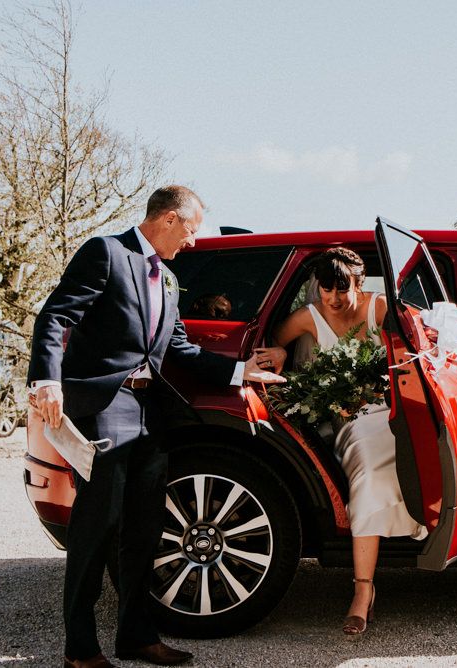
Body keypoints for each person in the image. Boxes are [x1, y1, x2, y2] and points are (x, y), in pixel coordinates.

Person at [28, 185, 283, 668]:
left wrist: (239, 371)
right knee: (96, 527)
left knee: (144, 529)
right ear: (168, 219)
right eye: (189, 230)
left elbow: (179, 349)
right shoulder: (106, 252)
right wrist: (47, 380)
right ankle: (80, 650)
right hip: (104, 406)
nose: (191, 242)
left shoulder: (167, 278)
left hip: (150, 414)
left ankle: (137, 637)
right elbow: (56, 314)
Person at [255, 247, 426, 636]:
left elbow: (415, 347)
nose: (332, 298)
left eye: (341, 288)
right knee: (367, 471)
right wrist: (282, 350)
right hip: (348, 417)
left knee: (413, 455)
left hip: (389, 408)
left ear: (359, 283)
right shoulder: (308, 317)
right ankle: (363, 591)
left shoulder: (379, 308)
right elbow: (270, 344)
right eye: (325, 288)